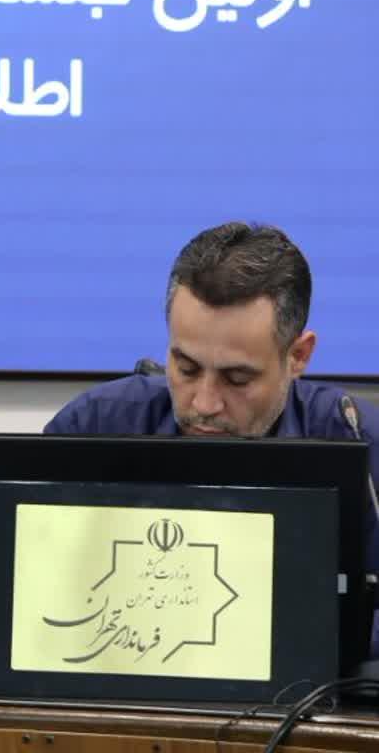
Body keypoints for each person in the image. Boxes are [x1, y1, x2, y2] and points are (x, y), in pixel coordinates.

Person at [46, 222, 379, 570]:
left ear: (297, 356)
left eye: (237, 379)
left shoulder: (359, 440)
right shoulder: (93, 427)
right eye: (187, 369)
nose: (204, 405)